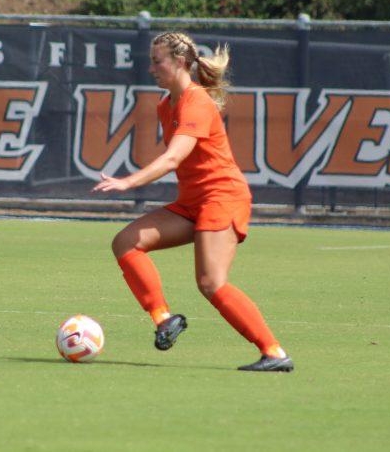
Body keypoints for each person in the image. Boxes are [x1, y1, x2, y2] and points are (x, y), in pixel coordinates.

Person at [93, 32, 293, 372]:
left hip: (222, 197)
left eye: (158, 62)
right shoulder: (164, 105)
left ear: (180, 63)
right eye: (152, 61)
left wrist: (129, 181)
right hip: (192, 202)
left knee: (211, 283)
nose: (152, 68)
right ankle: (163, 320)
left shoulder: (196, 101)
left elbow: (173, 159)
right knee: (126, 242)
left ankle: (273, 352)